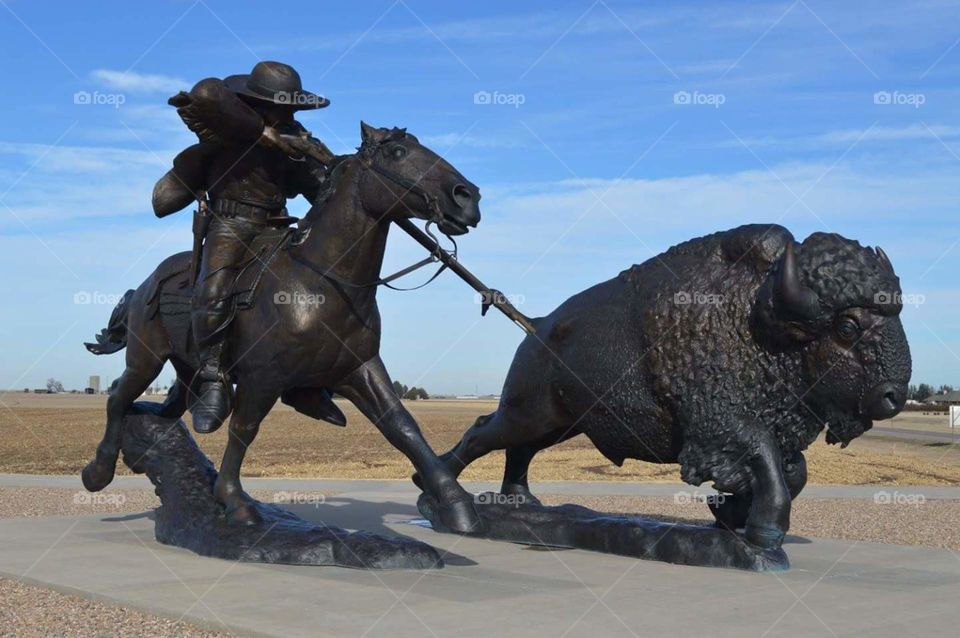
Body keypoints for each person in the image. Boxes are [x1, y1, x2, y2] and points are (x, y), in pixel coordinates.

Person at [153, 61, 333, 433]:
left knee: (317, 290)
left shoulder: (297, 142)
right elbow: (205, 91)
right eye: (283, 108)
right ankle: (212, 376)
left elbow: (320, 191)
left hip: (278, 226)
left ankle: (307, 383)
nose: (290, 114)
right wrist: (263, 135)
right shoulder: (226, 135)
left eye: (293, 109)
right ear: (257, 104)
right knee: (214, 291)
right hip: (230, 226)